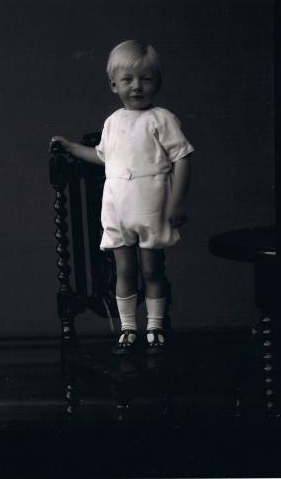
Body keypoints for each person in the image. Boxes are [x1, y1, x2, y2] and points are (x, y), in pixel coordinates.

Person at [50, 40, 194, 355]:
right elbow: (103, 156)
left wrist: (177, 201)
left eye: (146, 79)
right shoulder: (113, 122)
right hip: (117, 211)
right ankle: (128, 328)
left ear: (157, 82)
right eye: (127, 80)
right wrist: (72, 147)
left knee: (152, 271)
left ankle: (154, 327)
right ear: (114, 85)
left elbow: (182, 158)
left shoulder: (161, 119)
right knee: (124, 271)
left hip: (150, 208)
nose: (137, 87)